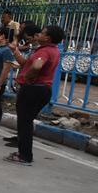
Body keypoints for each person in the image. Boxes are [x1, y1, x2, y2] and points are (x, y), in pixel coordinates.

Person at [4, 24, 63, 165]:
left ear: (48, 38)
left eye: (42, 33)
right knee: (26, 122)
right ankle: (23, 153)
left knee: (24, 123)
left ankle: (24, 156)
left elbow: (36, 66)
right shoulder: (51, 50)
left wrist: (28, 79)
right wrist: (15, 51)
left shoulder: (44, 51)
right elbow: (25, 64)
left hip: (33, 89)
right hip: (42, 90)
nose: (38, 35)